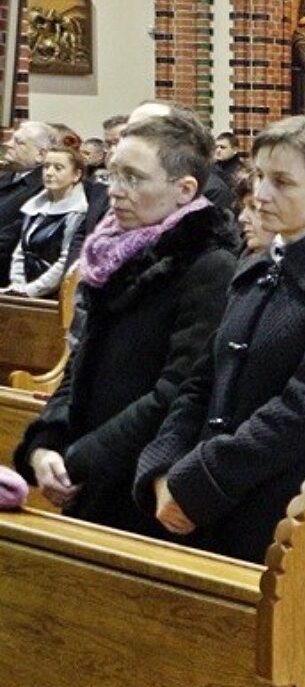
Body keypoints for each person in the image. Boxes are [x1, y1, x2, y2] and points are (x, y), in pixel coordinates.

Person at [134, 115, 305, 562]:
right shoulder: (260, 263)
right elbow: (202, 381)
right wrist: (164, 467)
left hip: (289, 511)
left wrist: (199, 481)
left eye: (282, 182)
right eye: (258, 176)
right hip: (210, 505)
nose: (260, 195)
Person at [14, 112, 236, 538]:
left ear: (184, 190)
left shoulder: (209, 267)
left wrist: (82, 459)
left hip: (141, 485)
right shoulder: (116, 254)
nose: (115, 190)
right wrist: (46, 443)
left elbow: (176, 391)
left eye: (133, 178)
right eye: (114, 174)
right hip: (89, 472)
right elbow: (80, 363)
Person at [6, 144, 88, 298]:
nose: (49, 173)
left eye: (58, 168)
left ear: (76, 175)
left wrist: (31, 290)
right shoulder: (34, 206)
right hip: (24, 290)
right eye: (46, 167)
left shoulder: (78, 211)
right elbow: (21, 251)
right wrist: (18, 284)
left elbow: (66, 260)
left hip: (54, 295)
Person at [0, 121, 54, 264]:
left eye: (19, 142)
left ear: (40, 154)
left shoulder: (43, 188)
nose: (8, 144)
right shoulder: (7, 175)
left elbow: (13, 236)